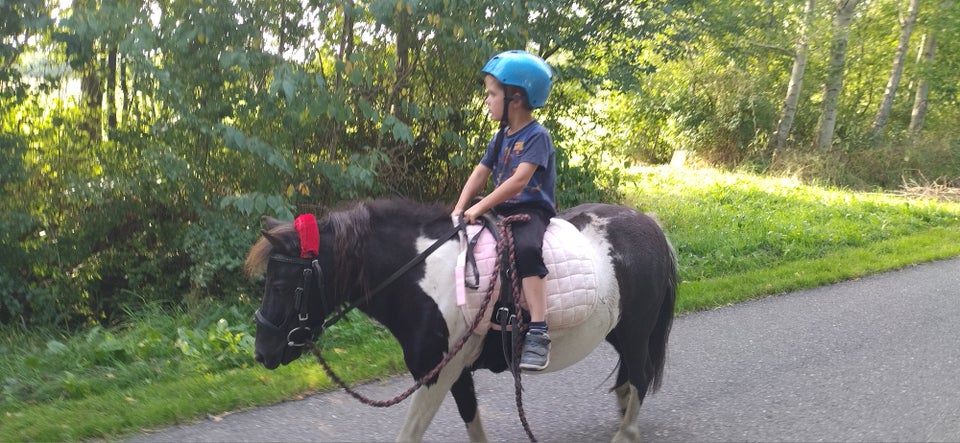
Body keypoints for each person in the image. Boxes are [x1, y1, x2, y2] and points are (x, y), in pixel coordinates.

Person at [452, 50, 556, 371]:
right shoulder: (501, 137)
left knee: (525, 250)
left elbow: (519, 181)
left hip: (531, 211)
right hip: (502, 210)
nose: (487, 100)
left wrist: (480, 206)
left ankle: (538, 330)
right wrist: (458, 209)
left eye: (492, 94)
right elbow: (480, 172)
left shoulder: (537, 136)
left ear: (516, 98)